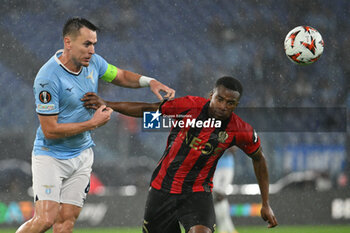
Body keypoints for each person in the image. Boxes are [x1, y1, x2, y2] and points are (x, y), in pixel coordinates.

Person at [16, 17, 175, 233]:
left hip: (81, 155)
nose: (92, 50)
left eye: (94, 44)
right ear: (68, 42)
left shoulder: (94, 63)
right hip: (50, 156)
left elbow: (121, 76)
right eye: (87, 44)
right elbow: (50, 130)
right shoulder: (48, 78)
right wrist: (92, 123)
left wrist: (150, 81)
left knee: (66, 221)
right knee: (45, 219)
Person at [82, 76, 278, 233]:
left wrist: (266, 203)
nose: (223, 106)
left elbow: (259, 159)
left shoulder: (240, 129)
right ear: (211, 95)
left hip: (197, 192)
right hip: (162, 189)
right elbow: (148, 109)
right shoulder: (188, 106)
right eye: (220, 99)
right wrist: (107, 103)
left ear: (236, 105)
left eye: (230, 103)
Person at [213, 147, 238, 233]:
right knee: (217, 197)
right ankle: (229, 229)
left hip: (227, 167)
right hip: (214, 168)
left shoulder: (229, 134)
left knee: (219, 196)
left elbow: (234, 148)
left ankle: (225, 229)